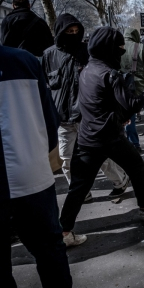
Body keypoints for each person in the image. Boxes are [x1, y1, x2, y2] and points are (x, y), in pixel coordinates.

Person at [59, 27, 144, 246]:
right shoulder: (110, 74)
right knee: (136, 165)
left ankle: (64, 232)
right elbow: (131, 105)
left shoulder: (87, 69)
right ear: (109, 48)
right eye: (120, 47)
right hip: (109, 137)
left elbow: (96, 102)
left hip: (88, 137)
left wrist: (118, 116)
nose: (122, 51)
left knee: (79, 186)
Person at [0, 44, 72, 288]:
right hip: (31, 174)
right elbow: (49, 120)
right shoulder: (25, 61)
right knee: (50, 250)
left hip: (29, 174)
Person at [42, 14, 130, 201]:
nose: (73, 35)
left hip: (87, 117)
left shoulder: (88, 52)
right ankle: (81, 191)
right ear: (60, 32)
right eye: (69, 32)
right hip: (63, 119)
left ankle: (120, 180)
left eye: (76, 31)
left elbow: (104, 82)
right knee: (66, 161)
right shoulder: (48, 55)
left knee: (99, 157)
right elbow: (46, 87)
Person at [121, 28, 144, 151]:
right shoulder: (141, 47)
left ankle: (134, 144)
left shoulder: (117, 47)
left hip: (126, 90)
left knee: (129, 118)